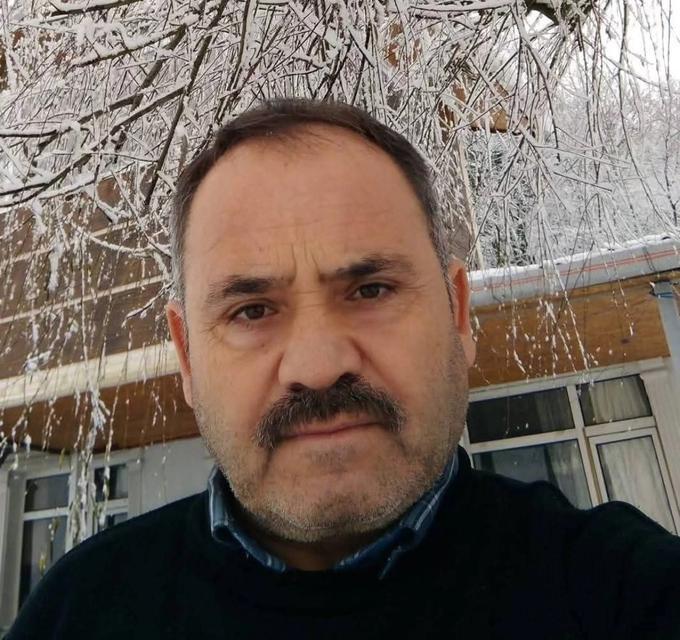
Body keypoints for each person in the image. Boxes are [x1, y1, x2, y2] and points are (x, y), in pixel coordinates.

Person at [7, 98, 680, 639]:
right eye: (251, 310)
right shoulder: (76, 612)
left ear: (457, 313)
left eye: (371, 290)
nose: (319, 366)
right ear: (186, 356)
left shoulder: (622, 592)